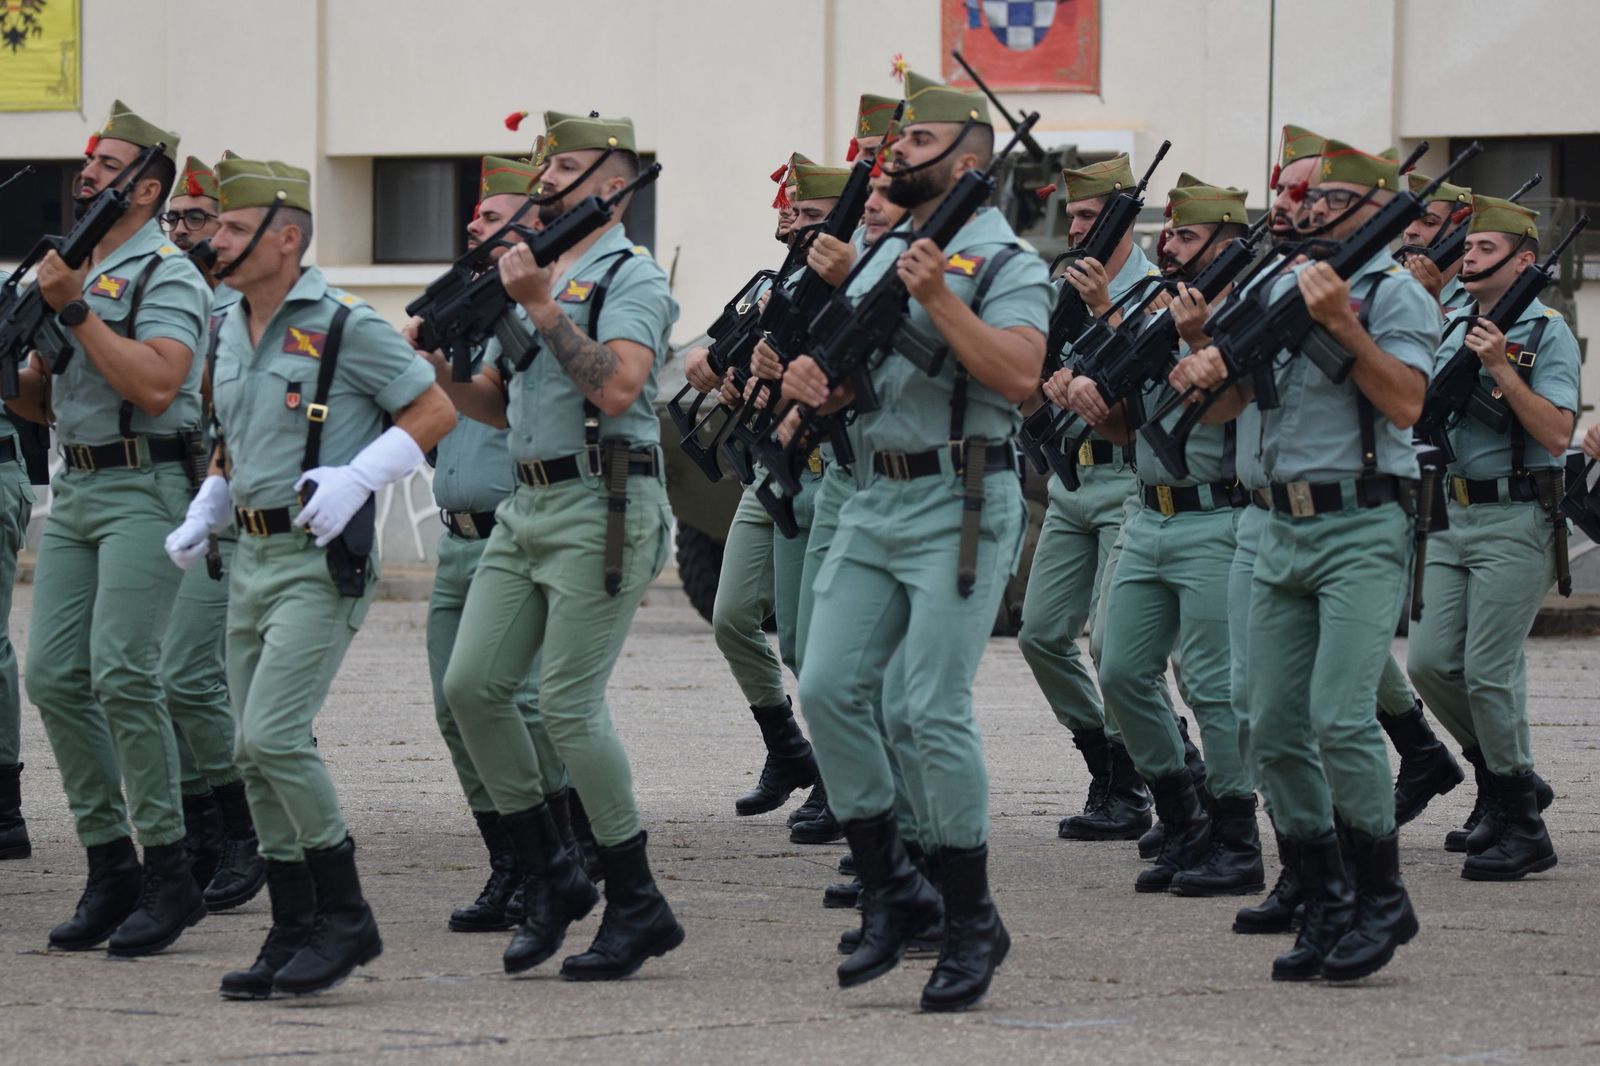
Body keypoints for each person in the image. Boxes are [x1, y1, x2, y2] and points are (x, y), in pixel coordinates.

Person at [786, 70, 1050, 1012]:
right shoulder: (884, 248)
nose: (895, 156)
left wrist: (941, 300)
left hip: (961, 500)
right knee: (825, 686)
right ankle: (895, 888)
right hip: (872, 497)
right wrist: (821, 382)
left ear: (969, 162)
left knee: (927, 706)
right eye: (897, 143)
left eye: (917, 145)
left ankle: (970, 918)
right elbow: (866, 372)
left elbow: (1021, 376)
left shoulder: (1004, 261)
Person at [165, 156, 455, 997]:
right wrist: (212, 499)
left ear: (283, 239)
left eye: (227, 226)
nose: (211, 238)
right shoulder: (226, 326)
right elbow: (235, 435)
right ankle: (292, 926)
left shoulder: (339, 324)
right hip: (248, 556)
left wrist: (361, 476)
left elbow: (430, 407)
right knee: (251, 755)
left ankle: (347, 915)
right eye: (211, 225)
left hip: (316, 558)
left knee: (272, 737)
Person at [1172, 139, 1439, 982]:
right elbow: (1240, 402)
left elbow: (1403, 401)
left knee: (1339, 715)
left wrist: (1342, 325)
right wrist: (1205, 353)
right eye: (1313, 198)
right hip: (1276, 527)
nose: (1315, 210)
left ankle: (1383, 895)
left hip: (1359, 525)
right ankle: (1323, 898)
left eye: (1337, 200)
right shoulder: (1275, 283)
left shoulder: (1396, 294)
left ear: (1379, 211)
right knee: (1267, 722)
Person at [438, 111, 686, 981]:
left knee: (569, 705)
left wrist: (542, 307)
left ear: (613, 189)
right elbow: (495, 406)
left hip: (604, 501)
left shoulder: (631, 276)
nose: (545, 180)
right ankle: (549, 872)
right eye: (544, 167)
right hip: (528, 506)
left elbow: (617, 387)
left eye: (568, 167)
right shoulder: (541, 272)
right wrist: (435, 365)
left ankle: (636, 899)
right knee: (472, 687)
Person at [11, 101, 212, 957]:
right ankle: (109, 864)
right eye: (89, 161)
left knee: (127, 674)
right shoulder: (74, 268)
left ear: (148, 187)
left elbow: (161, 385)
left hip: (147, 483)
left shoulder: (164, 272)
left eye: (109, 164)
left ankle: (170, 867)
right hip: (80, 488)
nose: (88, 173)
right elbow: (43, 398)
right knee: (57, 677)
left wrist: (77, 312)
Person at [1085, 176, 1260, 896]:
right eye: (1168, 236)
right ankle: (1182, 813)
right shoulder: (1155, 306)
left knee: (1216, 690)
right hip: (1146, 510)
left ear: (1224, 241)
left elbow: (1227, 413)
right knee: (1120, 665)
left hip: (1216, 515)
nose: (1169, 247)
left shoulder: (1249, 314)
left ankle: (1236, 836)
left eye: (1185, 237)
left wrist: (1197, 338)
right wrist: (1099, 402)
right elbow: (1135, 425)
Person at [1406, 194, 1575, 880]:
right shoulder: (1450, 323)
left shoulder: (1546, 330)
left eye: (1481, 250)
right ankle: (1508, 782)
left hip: (1515, 516)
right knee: (1430, 662)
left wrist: (1503, 368)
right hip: (1449, 514)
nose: (1466, 258)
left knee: (1487, 671)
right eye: (1467, 249)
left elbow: (1558, 434)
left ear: (1523, 260)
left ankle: (1522, 822)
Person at [1018, 153, 1167, 842]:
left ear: (1122, 219)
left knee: (1116, 647)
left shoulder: (1157, 293)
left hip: (1129, 477)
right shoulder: (1061, 293)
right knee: (1042, 633)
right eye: (1072, 215)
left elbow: (1159, 395)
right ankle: (1108, 762)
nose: (1076, 228)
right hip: (1070, 477)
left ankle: (1145, 776)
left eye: (1089, 215)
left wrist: (1107, 312)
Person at [159, 153, 264, 911]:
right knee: (168, 679)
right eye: (176, 220)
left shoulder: (240, 311)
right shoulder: (173, 295)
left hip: (230, 505)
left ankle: (244, 828)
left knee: (193, 674)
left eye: (200, 220)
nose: (185, 233)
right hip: (171, 499)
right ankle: (200, 829)